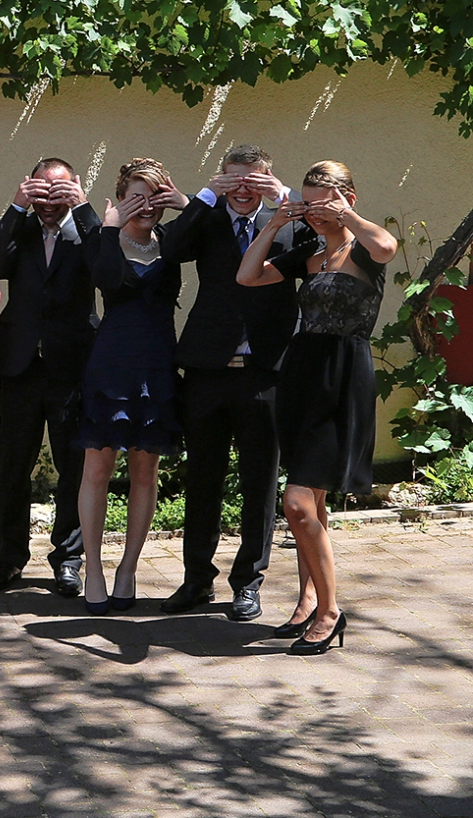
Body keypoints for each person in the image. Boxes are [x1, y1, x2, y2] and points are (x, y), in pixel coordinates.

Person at [237, 160, 396, 655]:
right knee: (314, 503)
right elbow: (247, 275)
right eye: (308, 204)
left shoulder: (363, 249)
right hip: (301, 375)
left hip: (343, 378)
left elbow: (386, 246)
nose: (315, 213)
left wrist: (346, 215)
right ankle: (309, 601)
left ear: (347, 197)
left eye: (323, 202)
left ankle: (329, 611)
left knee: (298, 503)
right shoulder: (308, 253)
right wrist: (275, 223)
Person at [158, 145, 302, 621]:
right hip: (208, 369)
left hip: (264, 370)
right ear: (220, 180)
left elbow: (318, 234)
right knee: (203, 478)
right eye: (232, 180)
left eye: (252, 180)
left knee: (259, 481)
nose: (242, 189)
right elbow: (171, 248)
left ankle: (248, 583)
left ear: (267, 180)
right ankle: (197, 579)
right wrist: (203, 195)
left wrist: (283, 195)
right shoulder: (208, 217)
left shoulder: (287, 220)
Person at [0, 158, 102, 597]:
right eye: (40, 191)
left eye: (58, 192)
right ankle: (9, 557)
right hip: (22, 367)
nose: (48, 201)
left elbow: (105, 265)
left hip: (72, 368)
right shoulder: (23, 230)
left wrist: (84, 208)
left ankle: (67, 560)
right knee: (12, 466)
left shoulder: (86, 232)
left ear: (74, 190)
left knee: (73, 469)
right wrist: (16, 207)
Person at [74, 159, 186, 615]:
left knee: (145, 472)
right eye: (137, 196)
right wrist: (109, 227)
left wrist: (185, 204)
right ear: (120, 199)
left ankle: (128, 569)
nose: (147, 205)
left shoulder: (173, 241)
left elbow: (211, 235)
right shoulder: (103, 238)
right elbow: (104, 279)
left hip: (157, 366)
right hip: (111, 366)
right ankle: (94, 570)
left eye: (155, 197)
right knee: (97, 470)